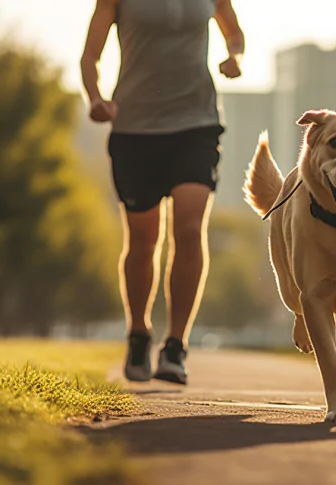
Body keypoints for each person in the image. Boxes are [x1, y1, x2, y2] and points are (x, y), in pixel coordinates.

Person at [81, 0, 244, 384]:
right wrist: (95, 99)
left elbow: (233, 32)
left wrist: (234, 57)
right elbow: (90, 56)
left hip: (196, 124)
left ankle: (175, 346)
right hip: (135, 130)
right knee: (143, 240)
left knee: (188, 230)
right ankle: (138, 333)